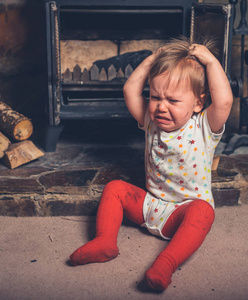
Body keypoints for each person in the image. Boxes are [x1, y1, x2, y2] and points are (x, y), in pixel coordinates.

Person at [69, 37, 233, 291]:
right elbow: (129, 91)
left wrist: (211, 62)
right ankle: (104, 242)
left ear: (198, 103)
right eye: (156, 97)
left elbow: (224, 102)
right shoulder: (150, 120)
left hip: (182, 213)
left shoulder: (203, 127)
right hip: (150, 206)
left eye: (173, 101)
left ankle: (165, 264)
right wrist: (151, 60)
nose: (161, 107)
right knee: (114, 188)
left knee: (204, 212)